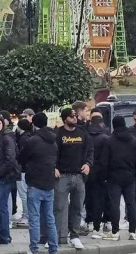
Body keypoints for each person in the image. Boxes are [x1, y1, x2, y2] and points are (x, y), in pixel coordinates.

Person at [17, 112, 59, 254]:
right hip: (49, 182)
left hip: (34, 182)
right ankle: (53, 248)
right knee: (50, 218)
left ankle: (34, 248)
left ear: (34, 124)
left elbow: (21, 159)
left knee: (34, 218)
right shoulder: (53, 140)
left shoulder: (32, 141)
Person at [55, 107, 93, 250]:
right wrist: (54, 167)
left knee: (77, 207)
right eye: (71, 117)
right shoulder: (58, 133)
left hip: (79, 176)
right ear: (65, 119)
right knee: (58, 207)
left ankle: (75, 236)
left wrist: (88, 164)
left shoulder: (83, 132)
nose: (75, 118)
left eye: (75, 116)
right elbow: (53, 152)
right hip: (62, 176)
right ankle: (56, 237)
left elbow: (90, 151)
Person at [101, 116, 136, 241]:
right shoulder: (134, 141)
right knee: (131, 203)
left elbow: (104, 162)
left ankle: (115, 232)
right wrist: (134, 175)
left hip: (114, 177)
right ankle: (132, 231)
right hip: (130, 176)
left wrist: (106, 177)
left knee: (115, 204)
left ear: (114, 125)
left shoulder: (109, 141)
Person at [0, 114, 20, 245]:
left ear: (3, 124)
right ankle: (3, 234)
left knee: (0, 207)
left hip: (3, 177)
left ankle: (4, 235)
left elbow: (10, 159)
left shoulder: (6, 138)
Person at [85, 113, 110, 237]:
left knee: (88, 197)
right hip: (100, 173)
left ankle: (88, 220)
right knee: (100, 199)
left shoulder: (85, 136)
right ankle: (100, 222)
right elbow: (106, 158)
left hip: (87, 170)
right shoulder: (105, 138)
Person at [15, 108, 35, 227]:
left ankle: (26, 216)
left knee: (24, 194)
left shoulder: (22, 139)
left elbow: (21, 155)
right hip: (29, 169)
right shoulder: (30, 136)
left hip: (23, 170)